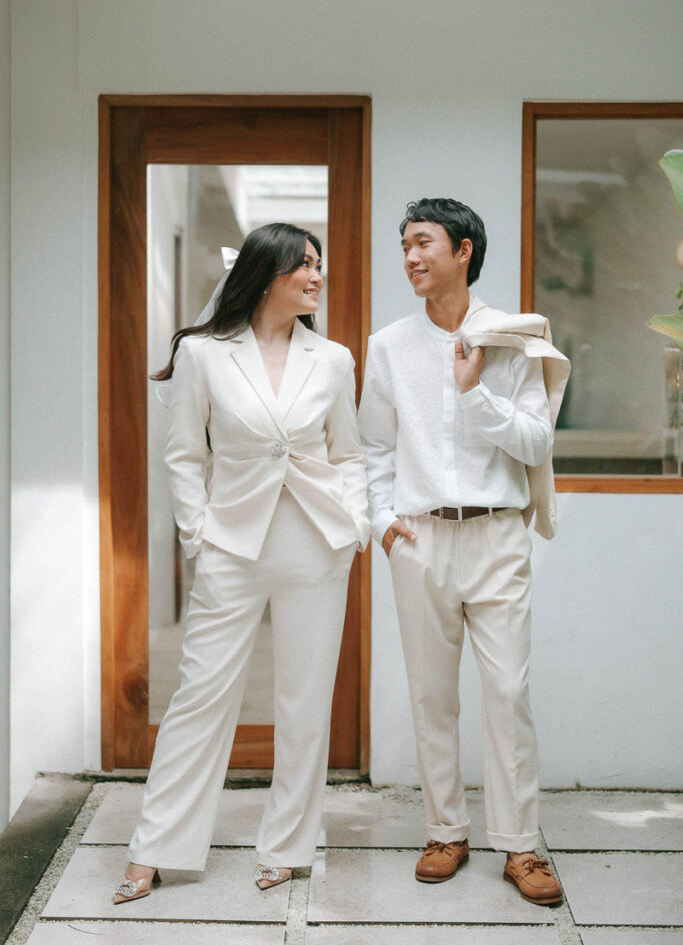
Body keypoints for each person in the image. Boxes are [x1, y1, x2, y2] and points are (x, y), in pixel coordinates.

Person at [113, 222, 369, 903]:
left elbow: (348, 452)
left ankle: (287, 848)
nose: (316, 276)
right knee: (199, 696)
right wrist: (198, 535)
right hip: (232, 543)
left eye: (318, 264)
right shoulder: (203, 354)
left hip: (316, 542)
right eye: (303, 265)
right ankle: (155, 848)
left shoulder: (333, 359)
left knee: (305, 702)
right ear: (264, 275)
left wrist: (355, 524)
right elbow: (184, 455)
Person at [358, 198, 569, 906]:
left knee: (507, 692)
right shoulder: (388, 345)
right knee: (431, 695)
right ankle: (445, 831)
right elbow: (373, 446)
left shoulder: (514, 338)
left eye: (423, 243)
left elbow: (536, 444)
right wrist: (382, 521)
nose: (411, 257)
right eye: (405, 246)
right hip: (420, 537)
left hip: (496, 534)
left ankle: (520, 845)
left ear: (463, 250)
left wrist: (473, 392)